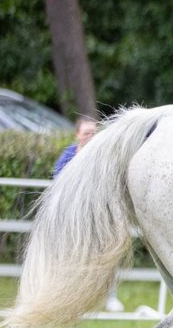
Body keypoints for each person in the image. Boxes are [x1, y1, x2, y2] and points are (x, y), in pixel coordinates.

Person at [52, 116, 125, 312]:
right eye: (87, 133)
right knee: (72, 258)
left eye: (94, 133)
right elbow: (58, 180)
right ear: (78, 135)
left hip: (101, 216)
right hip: (74, 219)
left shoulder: (105, 156)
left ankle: (110, 298)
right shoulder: (69, 155)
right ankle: (70, 298)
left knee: (108, 257)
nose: (91, 137)